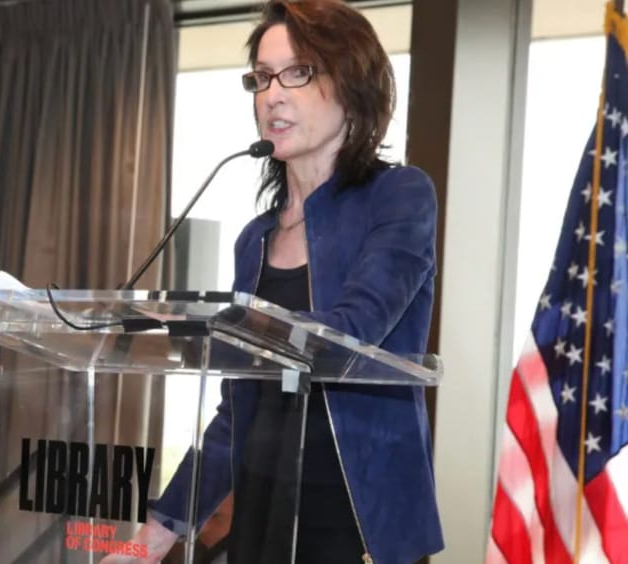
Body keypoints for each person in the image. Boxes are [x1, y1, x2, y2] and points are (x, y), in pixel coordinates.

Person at [107, 1, 443, 562]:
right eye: (262, 77)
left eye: (299, 72)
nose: (272, 94)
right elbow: (237, 408)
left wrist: (216, 324)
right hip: (262, 508)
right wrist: (155, 535)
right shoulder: (255, 238)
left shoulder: (400, 197)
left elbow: (351, 331)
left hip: (352, 519)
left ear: (351, 84)